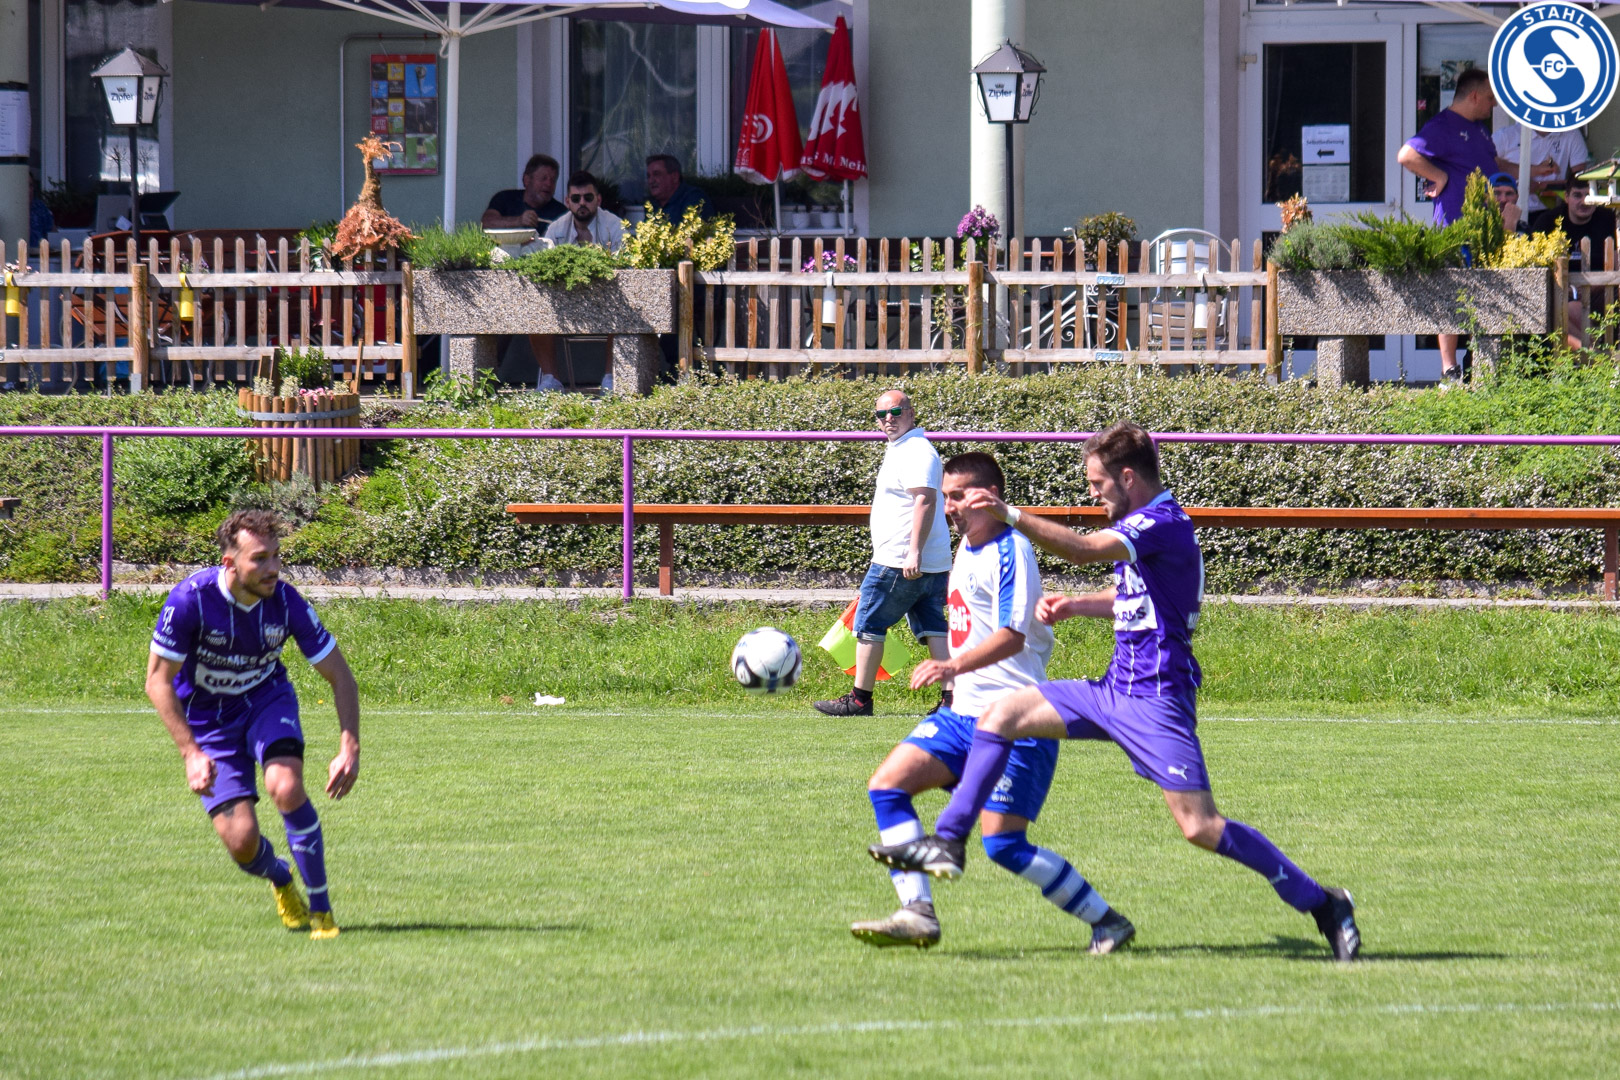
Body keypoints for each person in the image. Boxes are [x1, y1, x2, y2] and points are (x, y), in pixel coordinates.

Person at [871, 422, 1362, 962]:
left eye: (1097, 483)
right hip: (1111, 689)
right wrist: (1079, 605)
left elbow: (1083, 550)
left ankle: (1324, 903)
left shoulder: (1160, 522)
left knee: (1199, 826)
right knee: (1002, 714)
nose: (1092, 494)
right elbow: (1141, 596)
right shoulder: (1146, 526)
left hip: (1156, 699)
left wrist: (1010, 513)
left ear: (1128, 477)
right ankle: (949, 840)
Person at [851, 452, 1134, 953]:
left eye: (959, 496)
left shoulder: (1012, 551)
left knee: (1003, 846)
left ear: (990, 498)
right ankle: (917, 913)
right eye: (946, 496)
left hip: (1016, 723)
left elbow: (1013, 636)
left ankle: (1107, 922)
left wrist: (951, 666)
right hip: (962, 718)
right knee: (886, 786)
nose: (949, 506)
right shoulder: (965, 546)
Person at [145, 509, 361, 940]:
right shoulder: (190, 601)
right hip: (209, 724)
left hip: (266, 702)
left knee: (286, 785)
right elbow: (157, 681)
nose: (273, 568)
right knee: (242, 843)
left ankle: (322, 910)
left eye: (276, 556)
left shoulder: (286, 602)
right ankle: (281, 877)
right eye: (260, 558)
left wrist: (349, 747)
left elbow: (341, 676)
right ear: (229, 562)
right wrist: (191, 754)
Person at [813, 390, 952, 717]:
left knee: (869, 622)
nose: (888, 418)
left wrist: (913, 552)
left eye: (896, 411)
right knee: (933, 626)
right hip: (925, 561)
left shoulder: (916, 450)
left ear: (911, 413)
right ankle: (953, 700)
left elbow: (925, 500)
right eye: (881, 414)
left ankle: (860, 699)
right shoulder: (905, 448)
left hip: (900, 561)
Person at [1398, 66, 1497, 380]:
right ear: (1474, 96)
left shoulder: (1480, 129)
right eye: (1490, 98)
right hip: (1455, 227)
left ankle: (1479, 363)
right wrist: (1439, 176)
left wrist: (1533, 173)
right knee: (1453, 295)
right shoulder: (1442, 125)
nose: (1494, 104)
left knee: (1484, 295)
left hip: (1486, 228)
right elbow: (1406, 155)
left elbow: (1492, 165)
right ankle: (1449, 369)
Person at [1531, 172, 1617, 348]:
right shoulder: (1548, 222)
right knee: (1570, 310)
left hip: (1601, 289)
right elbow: (1535, 267)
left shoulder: (1608, 219)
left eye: (1589, 196)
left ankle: (1598, 354)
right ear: (1566, 197)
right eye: (1577, 195)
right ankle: (1595, 355)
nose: (1584, 201)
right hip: (1560, 291)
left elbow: (1617, 264)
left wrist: (1590, 287)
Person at [1491, 114, 1589, 200]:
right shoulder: (1505, 135)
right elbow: (1488, 167)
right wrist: (1536, 170)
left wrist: (1540, 186)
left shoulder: (1571, 133)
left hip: (1553, 209)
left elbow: (1579, 181)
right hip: (1510, 207)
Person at [544, 170, 625, 252]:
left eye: (588, 198)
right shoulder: (555, 230)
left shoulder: (615, 227)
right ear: (567, 202)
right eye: (576, 198)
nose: (582, 203)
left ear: (598, 200)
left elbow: (624, 259)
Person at [482, 154, 567, 231]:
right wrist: (518, 221)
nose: (549, 184)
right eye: (543, 178)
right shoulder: (505, 198)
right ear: (527, 180)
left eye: (553, 180)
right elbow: (485, 223)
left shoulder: (561, 213)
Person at [645, 154, 708, 224]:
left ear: (675, 177)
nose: (651, 181)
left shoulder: (693, 198)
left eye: (656, 174)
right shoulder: (652, 204)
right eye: (648, 176)